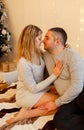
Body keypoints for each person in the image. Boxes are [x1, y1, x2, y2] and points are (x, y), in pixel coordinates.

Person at [6, 25, 63, 124]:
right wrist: (54, 75)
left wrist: (62, 48)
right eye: (39, 39)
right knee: (60, 102)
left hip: (38, 89)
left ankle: (30, 110)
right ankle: (26, 114)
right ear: (31, 40)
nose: (42, 41)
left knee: (63, 94)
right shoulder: (23, 62)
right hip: (26, 94)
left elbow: (52, 53)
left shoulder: (38, 52)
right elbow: (33, 88)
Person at [42, 27, 84, 130]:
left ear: (57, 42)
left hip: (81, 92)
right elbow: (30, 49)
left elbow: (77, 87)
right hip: (68, 100)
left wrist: (55, 103)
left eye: (47, 38)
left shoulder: (72, 56)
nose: (43, 40)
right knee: (60, 121)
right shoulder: (45, 55)